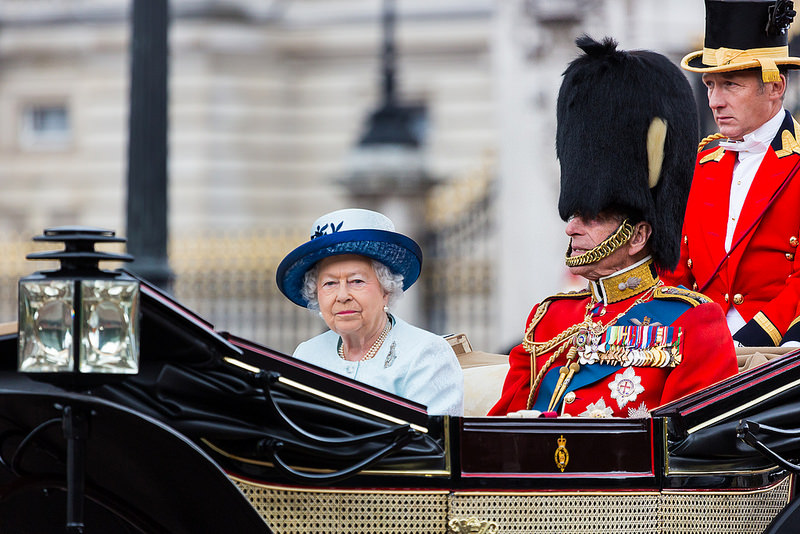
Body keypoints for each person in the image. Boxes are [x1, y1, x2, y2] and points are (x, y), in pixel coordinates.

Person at [489, 36, 739, 418]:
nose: (571, 228)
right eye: (574, 215)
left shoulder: (691, 321)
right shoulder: (549, 319)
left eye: (591, 217)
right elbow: (497, 429)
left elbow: (684, 449)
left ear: (638, 236)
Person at [662, 0, 800, 346]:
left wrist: (747, 340)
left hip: (773, 354)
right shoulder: (700, 163)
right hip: (699, 350)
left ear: (775, 87)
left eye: (731, 85)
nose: (714, 101)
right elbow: (675, 273)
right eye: (710, 85)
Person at [276, 207, 464, 416]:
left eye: (356, 281)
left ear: (386, 289)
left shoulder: (426, 353)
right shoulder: (307, 355)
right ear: (316, 294)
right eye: (329, 283)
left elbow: (430, 445)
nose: (342, 295)